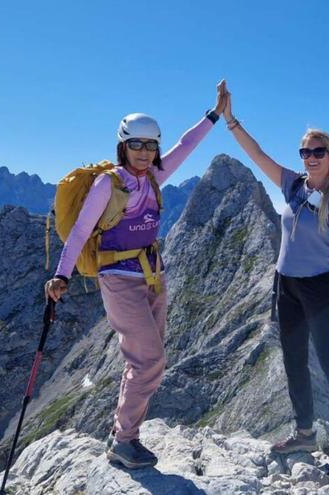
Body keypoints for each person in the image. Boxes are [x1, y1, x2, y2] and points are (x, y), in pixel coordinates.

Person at [44, 81, 228, 469]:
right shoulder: (107, 184)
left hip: (153, 276)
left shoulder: (153, 178)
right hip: (118, 278)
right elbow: (79, 231)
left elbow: (186, 145)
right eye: (137, 145)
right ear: (122, 146)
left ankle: (125, 437)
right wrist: (62, 276)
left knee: (147, 360)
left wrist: (214, 114)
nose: (145, 153)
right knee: (148, 360)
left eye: (150, 146)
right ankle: (123, 440)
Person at [222, 83, 329, 482]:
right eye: (305, 152)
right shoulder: (292, 184)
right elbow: (257, 154)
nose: (310, 157)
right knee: (293, 359)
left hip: (321, 288)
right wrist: (230, 120)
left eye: (318, 152)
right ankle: (304, 434)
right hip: (288, 285)